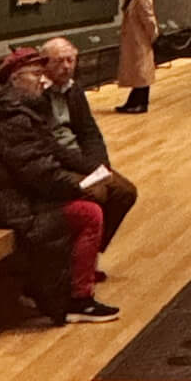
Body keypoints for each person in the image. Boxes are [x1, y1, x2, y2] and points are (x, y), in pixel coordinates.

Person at [0, 48, 119, 324]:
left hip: (4, 197)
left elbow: (48, 154)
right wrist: (81, 186)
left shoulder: (14, 110)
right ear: (14, 79)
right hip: (3, 206)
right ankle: (77, 298)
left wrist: (93, 170)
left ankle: (66, 281)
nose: (43, 81)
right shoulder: (12, 119)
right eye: (36, 75)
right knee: (88, 213)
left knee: (102, 196)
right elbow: (39, 172)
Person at [41, 36, 137, 259]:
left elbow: (89, 132)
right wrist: (89, 167)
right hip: (56, 163)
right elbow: (49, 145)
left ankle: (89, 252)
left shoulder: (73, 90)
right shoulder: (38, 95)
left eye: (70, 60)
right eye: (59, 61)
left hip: (80, 160)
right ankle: (69, 257)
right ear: (44, 63)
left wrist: (101, 164)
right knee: (97, 193)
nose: (67, 67)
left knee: (125, 192)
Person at [115, 0, 157, 112]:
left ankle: (140, 103)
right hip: (135, 39)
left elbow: (149, 20)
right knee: (138, 72)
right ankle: (134, 102)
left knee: (141, 72)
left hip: (140, 40)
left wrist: (153, 36)